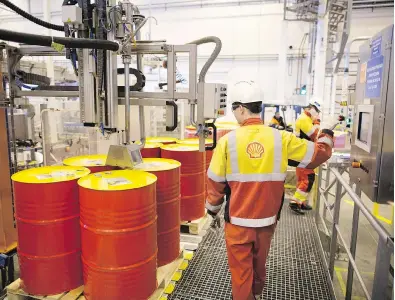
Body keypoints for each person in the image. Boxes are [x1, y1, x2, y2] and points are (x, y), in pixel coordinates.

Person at [205, 87, 335, 300]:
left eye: (233, 109)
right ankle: (256, 294)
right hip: (267, 221)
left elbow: (215, 181)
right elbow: (319, 155)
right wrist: (327, 131)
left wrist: (212, 209)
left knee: (241, 273)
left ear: (241, 109)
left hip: (238, 222)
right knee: (259, 263)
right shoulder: (281, 139)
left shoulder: (228, 141)